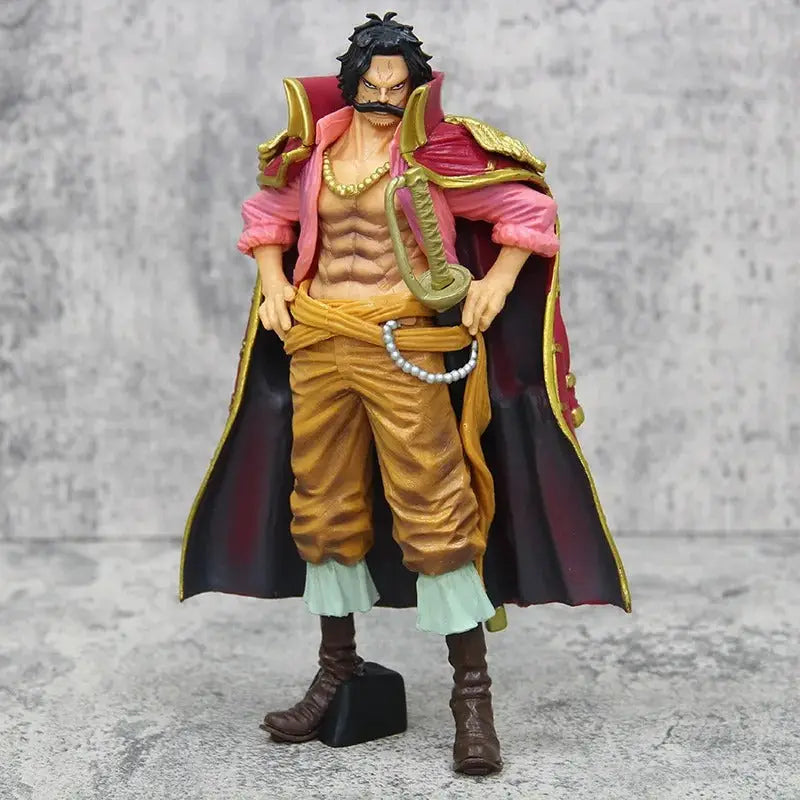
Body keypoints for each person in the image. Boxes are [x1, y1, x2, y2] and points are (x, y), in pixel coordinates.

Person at [180, 11, 631, 777]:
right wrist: (272, 280)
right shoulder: (314, 151)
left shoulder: (435, 155)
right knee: (321, 505)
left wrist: (496, 282)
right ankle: (338, 669)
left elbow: (529, 211)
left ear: (415, 90)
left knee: (436, 507)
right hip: (319, 341)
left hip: (402, 344)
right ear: (352, 82)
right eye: (373, 83)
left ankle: (472, 698)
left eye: (397, 86)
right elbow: (267, 216)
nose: (383, 96)